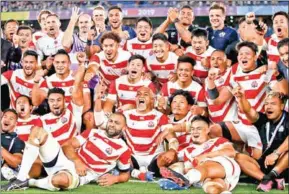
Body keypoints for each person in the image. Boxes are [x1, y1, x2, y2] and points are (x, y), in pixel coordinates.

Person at [209, 41, 288, 160]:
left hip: (258, 126)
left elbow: (284, 93)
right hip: (241, 125)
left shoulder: (265, 73)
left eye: (247, 54)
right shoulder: (234, 72)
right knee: (213, 130)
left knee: (259, 162)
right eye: (240, 54)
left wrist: (274, 73)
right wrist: (210, 81)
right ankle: (238, 150)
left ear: (255, 56)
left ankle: (247, 154)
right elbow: (217, 101)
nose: (243, 57)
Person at [159, 116, 240, 194]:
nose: (195, 131)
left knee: (206, 164)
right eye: (192, 129)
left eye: (199, 129)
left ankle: (185, 180)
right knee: (212, 189)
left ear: (208, 130)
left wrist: (206, 156)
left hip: (226, 167)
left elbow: (231, 152)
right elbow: (188, 169)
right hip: (212, 178)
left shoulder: (218, 140)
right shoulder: (188, 151)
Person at [232, 88, 288, 192]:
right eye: (266, 104)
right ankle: (269, 180)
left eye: (273, 104)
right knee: (238, 157)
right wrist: (241, 98)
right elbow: (248, 110)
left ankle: (272, 175)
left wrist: (276, 153)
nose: (269, 106)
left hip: (284, 166)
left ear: (282, 106)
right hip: (265, 164)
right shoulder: (263, 119)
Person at [61, 112, 132, 187]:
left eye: (117, 123)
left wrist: (115, 179)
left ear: (124, 128)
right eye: (110, 121)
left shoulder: (124, 149)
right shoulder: (93, 132)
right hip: (67, 161)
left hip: (83, 174)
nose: (112, 125)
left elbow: (125, 175)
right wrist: (77, 161)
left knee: (60, 179)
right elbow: (66, 145)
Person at [122, 87, 172, 180]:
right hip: (132, 157)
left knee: (168, 157)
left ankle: (144, 171)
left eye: (145, 94)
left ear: (152, 100)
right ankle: (138, 174)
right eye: (138, 94)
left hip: (154, 157)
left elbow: (171, 137)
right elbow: (108, 128)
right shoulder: (125, 115)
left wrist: (172, 151)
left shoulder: (160, 116)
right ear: (135, 99)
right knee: (119, 156)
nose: (141, 96)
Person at [204, 50, 237, 123]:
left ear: (227, 62)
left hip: (229, 122)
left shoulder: (231, 74)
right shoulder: (206, 80)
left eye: (219, 59)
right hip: (213, 124)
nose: (215, 62)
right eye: (212, 59)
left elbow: (217, 101)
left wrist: (210, 79)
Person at [1, 109, 25, 181]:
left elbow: (16, 162)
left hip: (4, 170)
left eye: (11, 119)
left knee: (5, 168)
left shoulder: (17, 139)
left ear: (15, 123)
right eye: (5, 117)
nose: (7, 120)